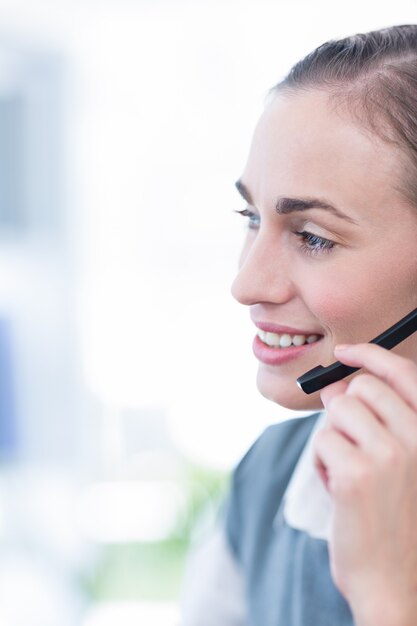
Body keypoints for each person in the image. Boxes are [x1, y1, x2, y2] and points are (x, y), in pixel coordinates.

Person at [181, 24, 417, 626]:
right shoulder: (269, 483)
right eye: (251, 217)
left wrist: (386, 598)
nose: (247, 286)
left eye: (313, 237)